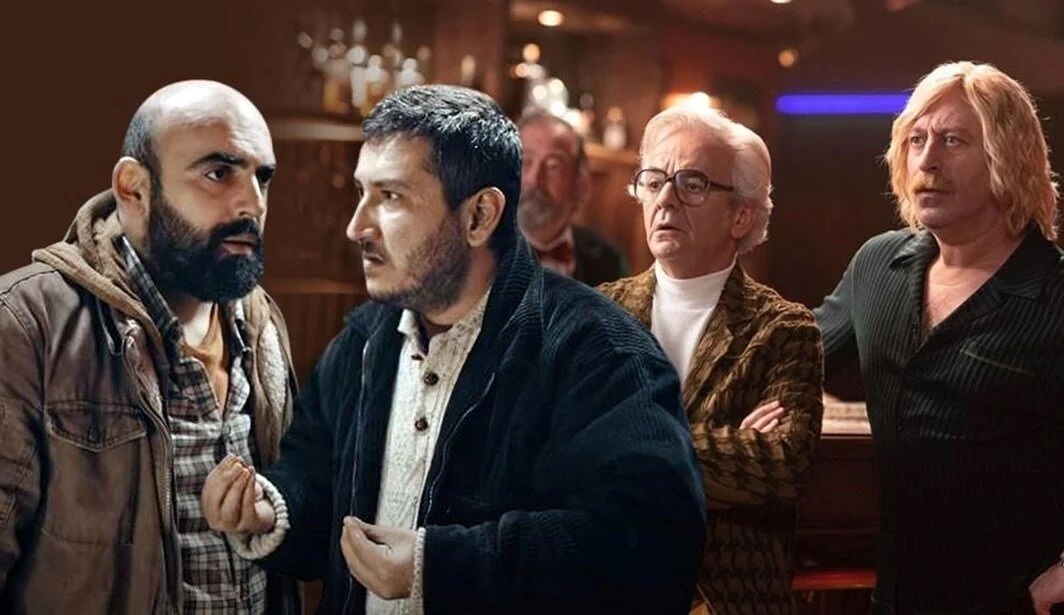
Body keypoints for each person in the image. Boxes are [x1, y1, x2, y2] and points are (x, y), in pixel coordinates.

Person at [202, 84, 706, 614]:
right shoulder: (361, 343)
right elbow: (317, 485)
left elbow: (652, 548)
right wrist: (272, 507)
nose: (357, 227)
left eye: (391, 197)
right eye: (362, 192)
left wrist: (438, 567)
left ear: (479, 216)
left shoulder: (603, 352)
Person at [0, 80, 299, 613]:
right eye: (218, 173)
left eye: (263, 177)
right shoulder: (26, 325)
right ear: (134, 188)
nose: (252, 202)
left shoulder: (260, 322)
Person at [815, 61, 1064, 614]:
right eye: (917, 140)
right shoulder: (878, 264)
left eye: (953, 140)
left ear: (1008, 159)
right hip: (896, 598)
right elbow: (790, 360)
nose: (927, 160)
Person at [599, 106, 824, 613]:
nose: (665, 199)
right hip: (611, 587)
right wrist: (723, 450)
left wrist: (624, 445)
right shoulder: (600, 312)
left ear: (740, 215)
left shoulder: (783, 329)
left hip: (724, 599)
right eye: (653, 181)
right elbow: (562, 446)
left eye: (692, 184)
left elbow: (781, 467)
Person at [517, 110, 629, 285]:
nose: (534, 179)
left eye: (553, 166)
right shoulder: (476, 252)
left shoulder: (608, 261)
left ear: (581, 184)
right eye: (525, 162)